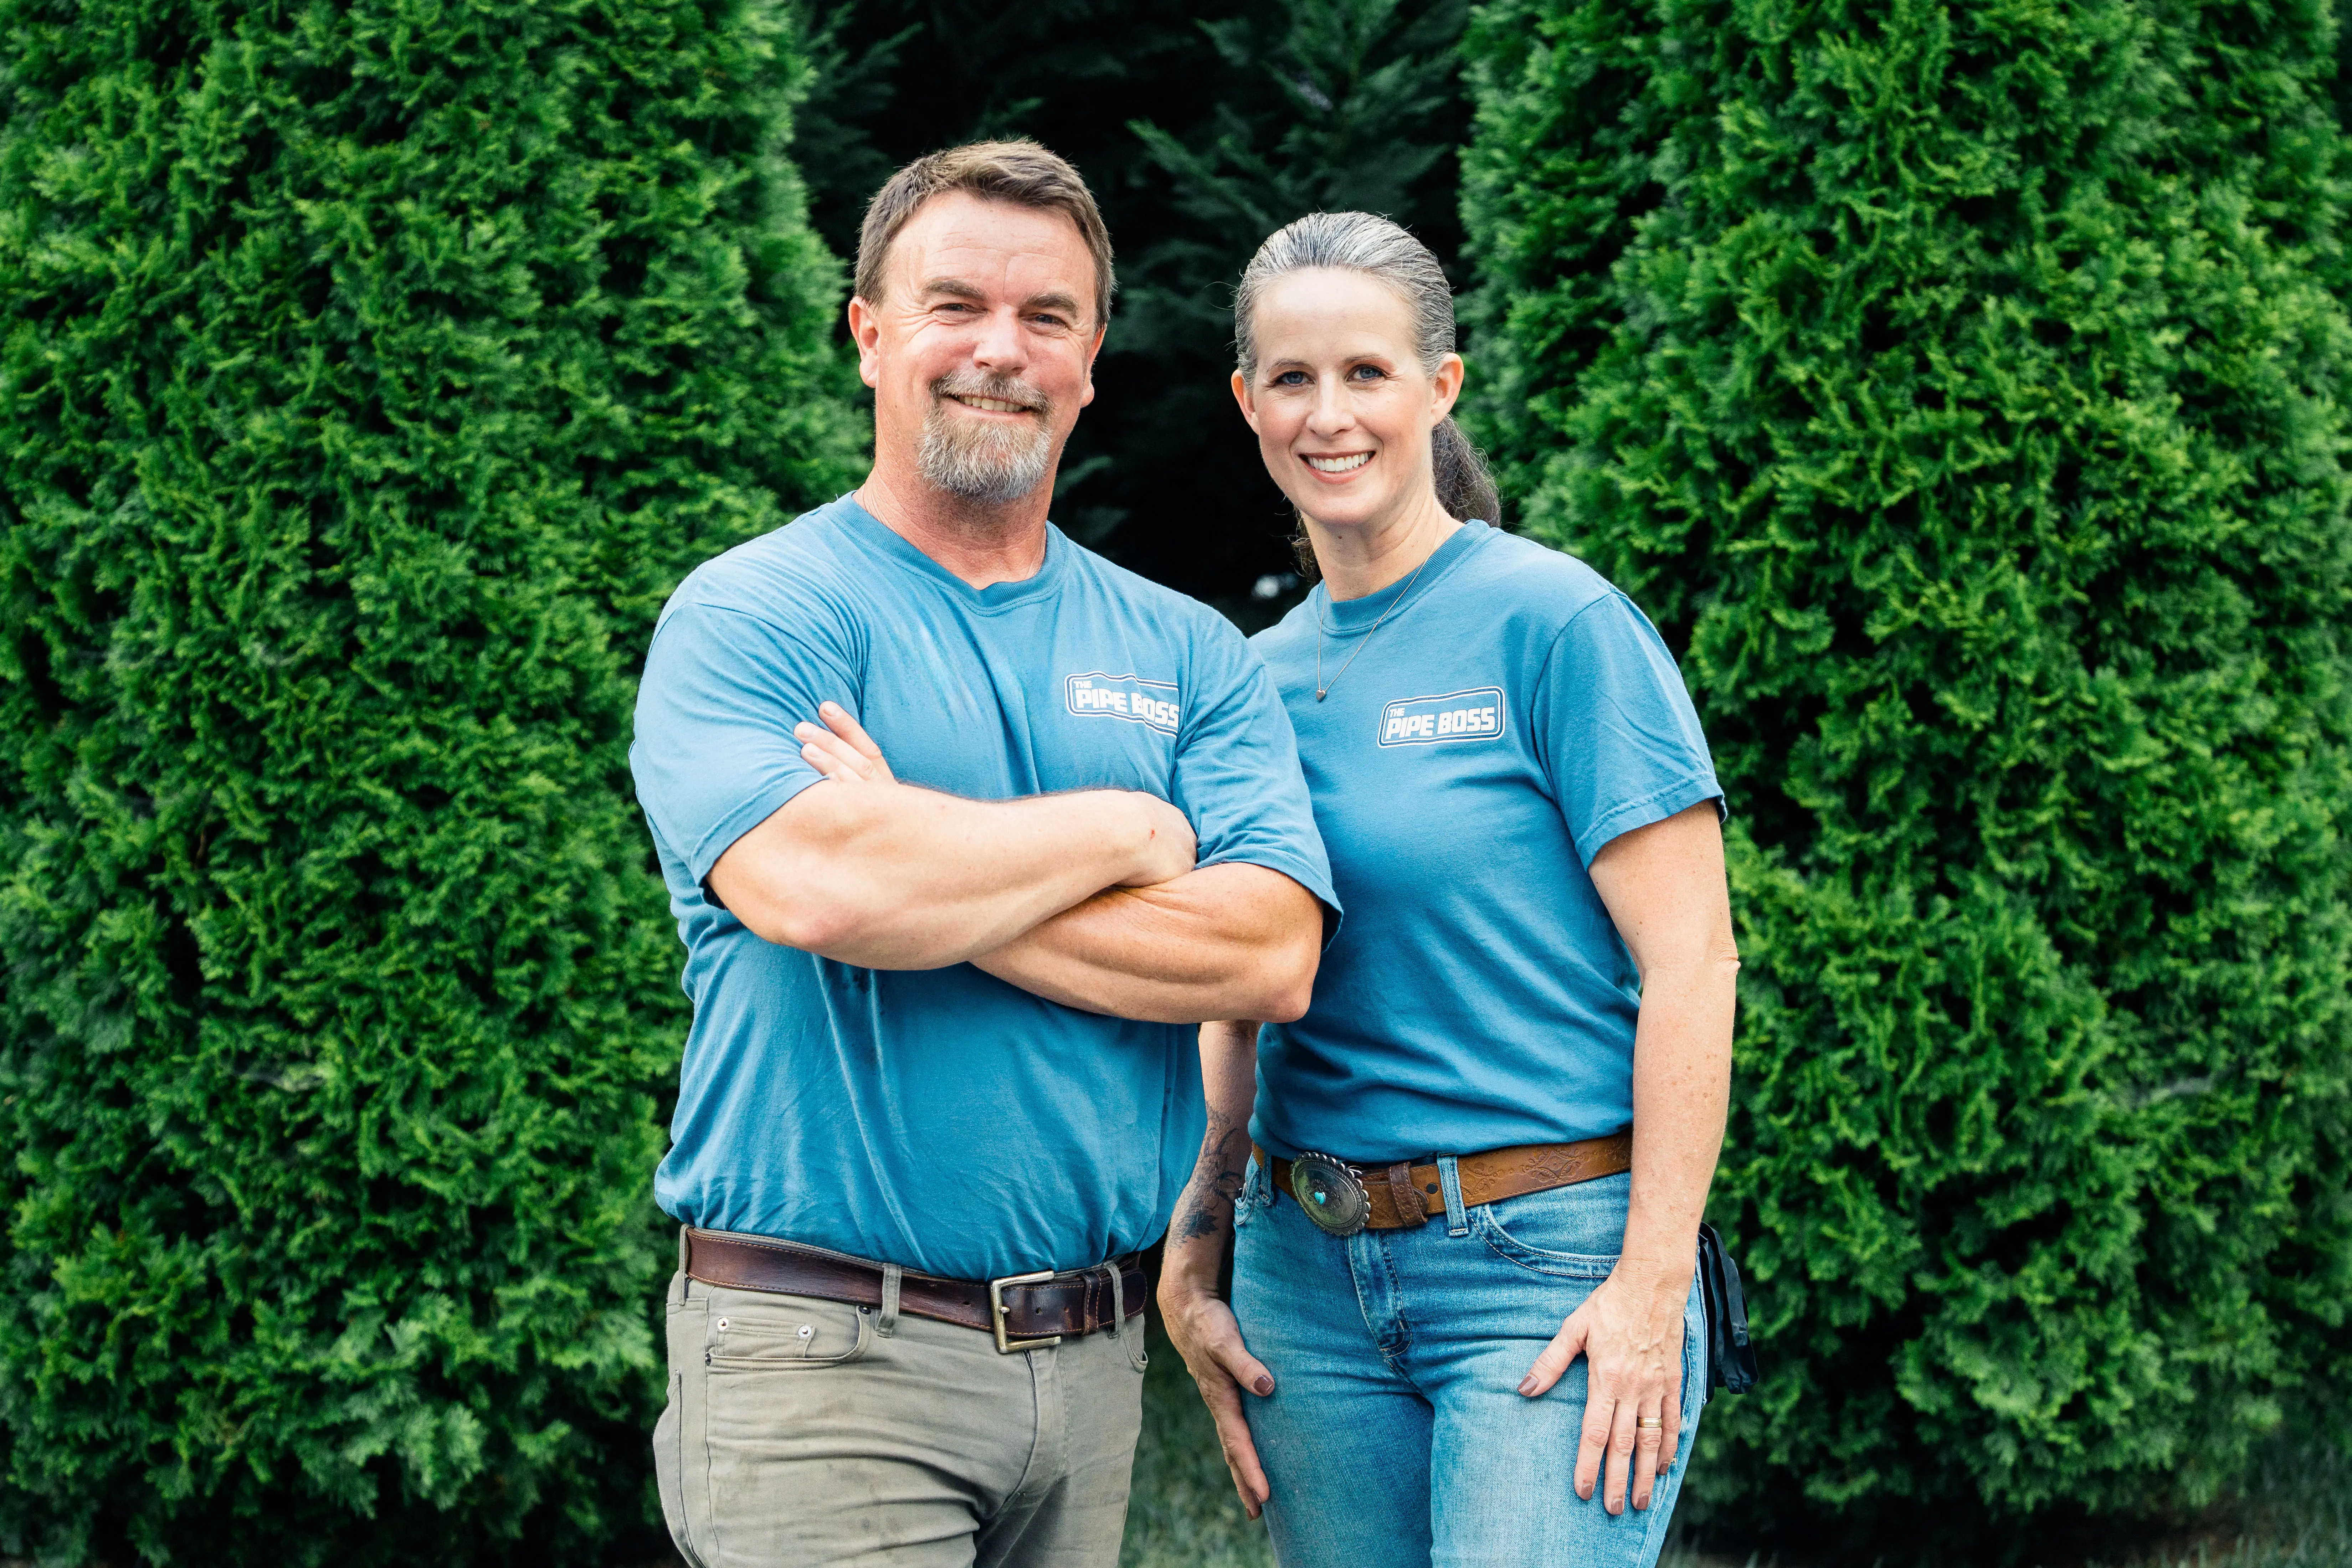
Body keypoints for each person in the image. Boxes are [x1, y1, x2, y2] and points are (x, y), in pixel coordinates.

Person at [628, 142, 1337, 1568]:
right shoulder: (756, 616)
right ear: (869, 333)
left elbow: (1268, 951)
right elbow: (817, 886)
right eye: (953, 305)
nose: (998, 352)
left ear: (1089, 362)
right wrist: (1130, 834)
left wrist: (927, 865)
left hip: (1084, 1367)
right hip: (823, 1358)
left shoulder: (1186, 652)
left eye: (1046, 318)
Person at [1156, 211, 1738, 1568]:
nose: (1329, 414)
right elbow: (1238, 992)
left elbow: (1693, 963)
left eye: (1367, 372)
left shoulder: (1557, 626)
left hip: (1544, 1267)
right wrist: (1196, 1254)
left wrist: (1651, 1290)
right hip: (1308, 1284)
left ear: (1441, 385)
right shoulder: (1250, 678)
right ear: (1247, 403)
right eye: (1290, 380)